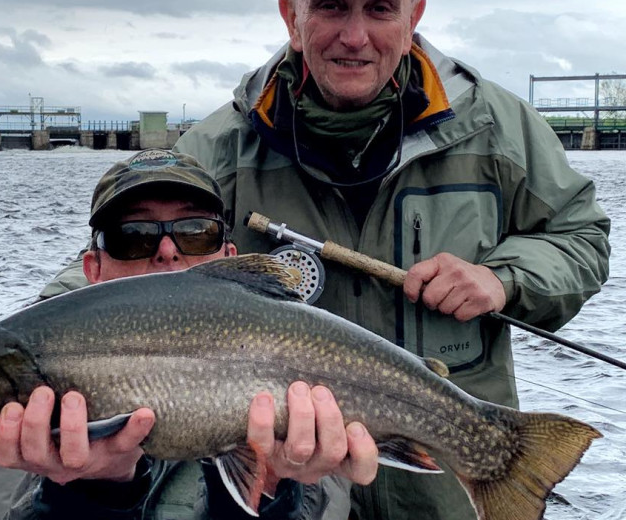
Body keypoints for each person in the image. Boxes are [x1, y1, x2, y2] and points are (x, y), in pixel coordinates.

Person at [169, 1, 611, 519]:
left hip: (448, 496)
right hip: (288, 498)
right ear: (292, 17)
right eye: (332, 7)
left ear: (413, 18)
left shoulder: (498, 128)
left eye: (379, 9)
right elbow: (107, 272)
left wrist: (503, 278)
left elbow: (581, 237)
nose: (355, 37)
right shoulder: (214, 150)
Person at [0, 149, 377, 520]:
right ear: (93, 270)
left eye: (196, 232)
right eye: (133, 235)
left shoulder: (305, 366)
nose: (168, 250)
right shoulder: (26, 392)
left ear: (229, 257)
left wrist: (275, 489)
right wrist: (92, 487)